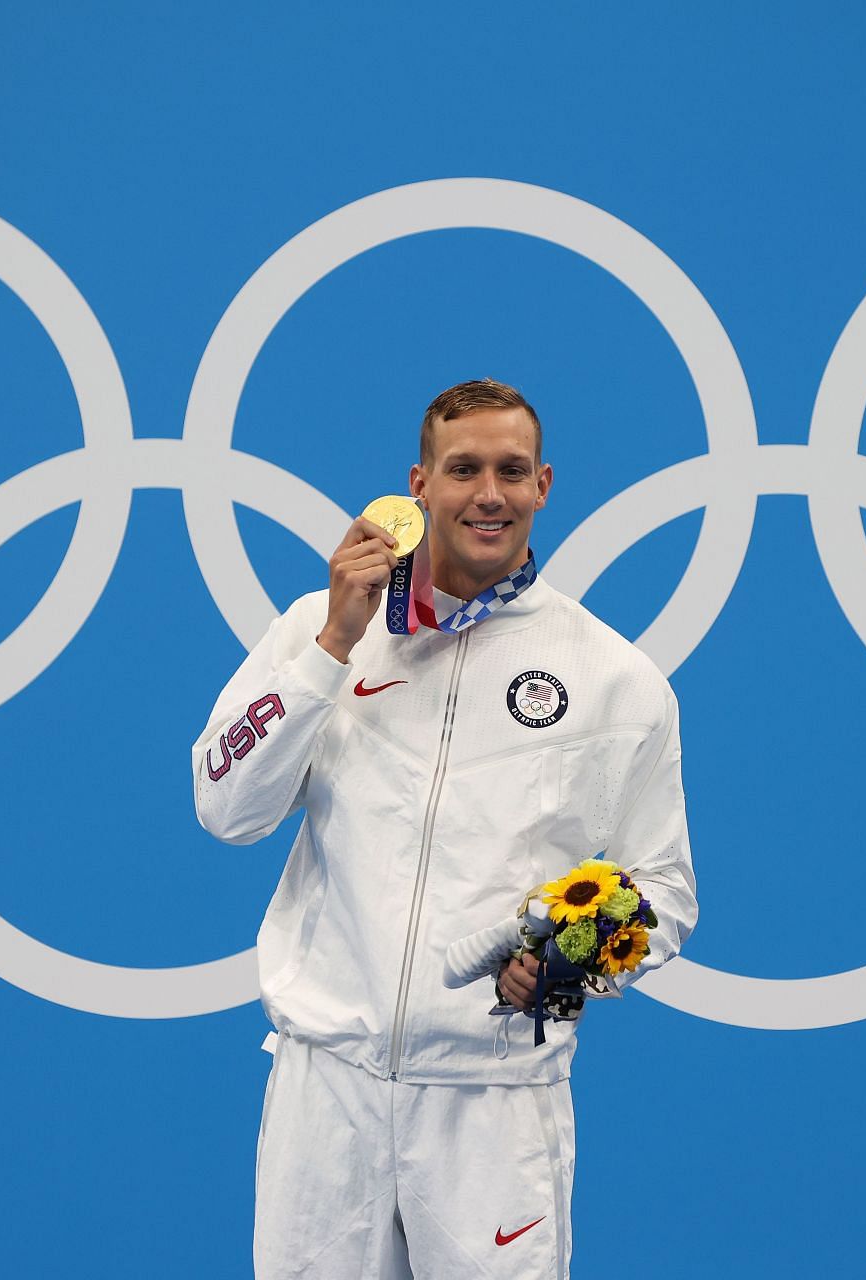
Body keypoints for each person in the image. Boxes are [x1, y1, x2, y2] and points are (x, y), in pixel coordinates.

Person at [191, 379, 697, 1279]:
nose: (488, 494)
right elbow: (226, 808)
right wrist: (331, 647)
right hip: (327, 1088)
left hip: (491, 1100)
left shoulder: (616, 679)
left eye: (511, 471)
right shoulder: (322, 630)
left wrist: (565, 966)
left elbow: (663, 891)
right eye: (463, 469)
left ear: (545, 485)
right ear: (418, 485)